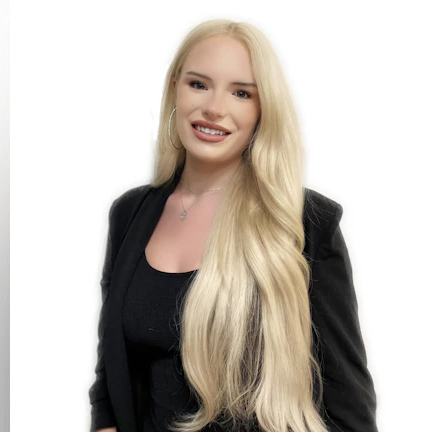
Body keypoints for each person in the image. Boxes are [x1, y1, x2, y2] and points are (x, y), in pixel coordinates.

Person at [89, 19, 378, 432]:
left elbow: (348, 406)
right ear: (175, 87)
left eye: (241, 93)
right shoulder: (130, 214)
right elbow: (111, 377)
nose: (214, 108)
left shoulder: (304, 223)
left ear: (263, 110)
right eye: (199, 84)